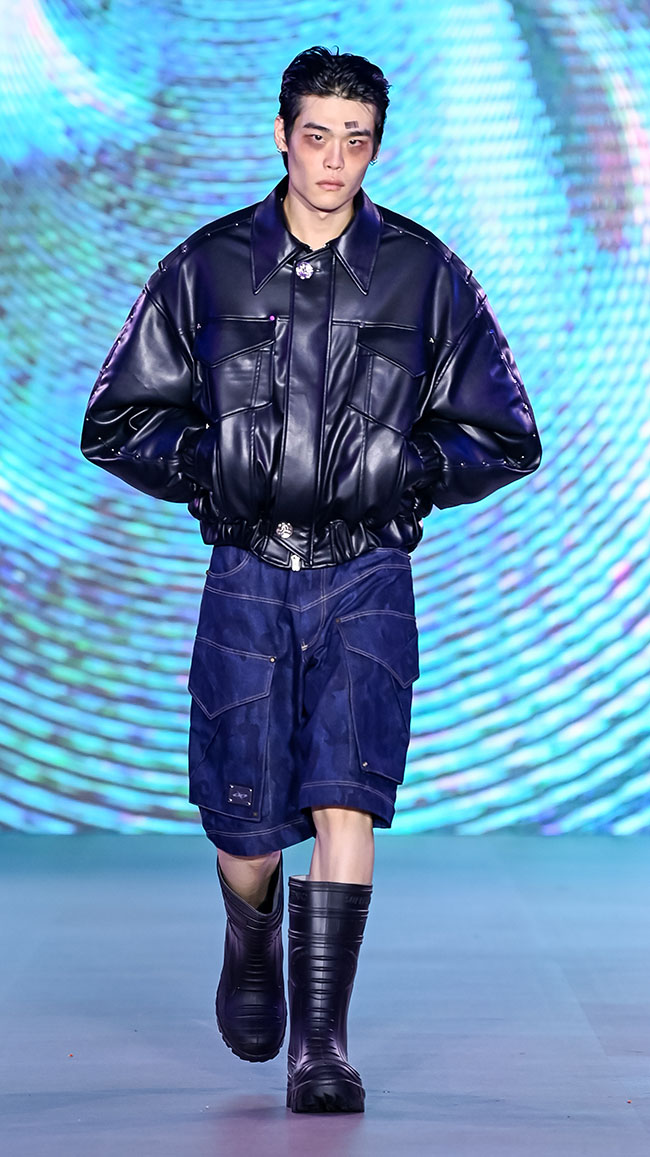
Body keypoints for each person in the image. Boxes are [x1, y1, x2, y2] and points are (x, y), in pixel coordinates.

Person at [81, 46, 541, 1113]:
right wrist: (210, 461)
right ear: (281, 136)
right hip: (247, 570)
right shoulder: (207, 267)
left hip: (368, 569)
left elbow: (507, 435)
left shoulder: (424, 274)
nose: (334, 160)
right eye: (317, 136)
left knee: (347, 793)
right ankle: (250, 929)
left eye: (356, 140)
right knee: (244, 825)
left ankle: (321, 1046)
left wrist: (409, 466)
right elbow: (114, 420)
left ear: (376, 148)